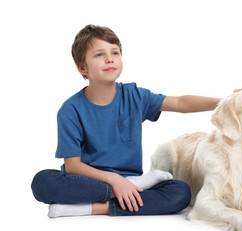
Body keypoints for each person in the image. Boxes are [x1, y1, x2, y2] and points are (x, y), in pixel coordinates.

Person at [31, 24, 221, 218]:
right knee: (42, 182)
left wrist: (224, 102)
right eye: (99, 54)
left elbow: (180, 102)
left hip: (130, 180)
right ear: (82, 67)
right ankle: (124, 191)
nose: (109, 58)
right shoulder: (70, 110)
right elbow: (72, 166)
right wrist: (114, 181)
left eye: (115, 52)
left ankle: (95, 207)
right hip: (89, 182)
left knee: (180, 192)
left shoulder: (135, 95)